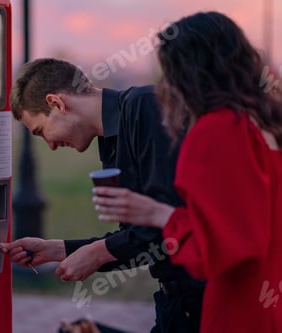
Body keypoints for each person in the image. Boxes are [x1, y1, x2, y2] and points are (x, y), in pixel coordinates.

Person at [91, 12, 282, 332]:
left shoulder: (215, 131)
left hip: (237, 310)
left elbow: (224, 251)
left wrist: (160, 215)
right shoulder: (265, 124)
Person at [0, 57, 205, 332]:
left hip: (210, 298)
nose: (49, 145)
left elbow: (169, 220)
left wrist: (97, 253)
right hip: (175, 303)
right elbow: (140, 241)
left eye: (41, 131)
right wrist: (57, 250)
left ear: (56, 104)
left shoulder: (146, 106)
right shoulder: (111, 142)